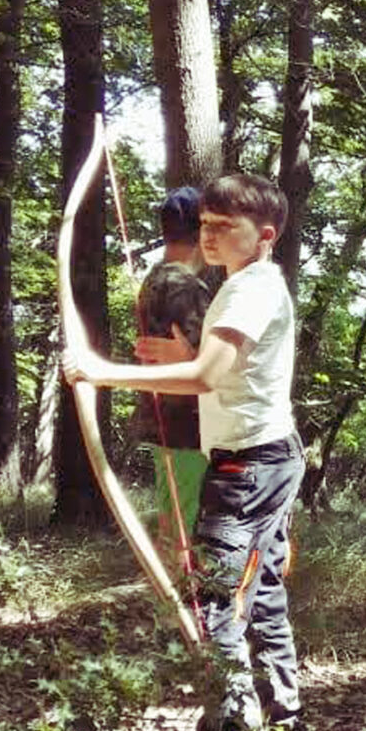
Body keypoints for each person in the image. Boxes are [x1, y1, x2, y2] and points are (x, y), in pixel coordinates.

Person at [65, 173, 305, 731]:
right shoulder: (252, 283)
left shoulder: (248, 289)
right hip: (270, 457)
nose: (212, 235)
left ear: (264, 235)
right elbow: (224, 366)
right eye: (205, 225)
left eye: (227, 227)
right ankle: (284, 717)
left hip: (247, 467)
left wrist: (102, 372)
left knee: (219, 598)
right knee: (263, 590)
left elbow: (204, 377)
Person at [134, 187, 211, 553]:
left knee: (174, 524)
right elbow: (205, 365)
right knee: (185, 532)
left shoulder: (155, 278)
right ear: (201, 233)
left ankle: (171, 605)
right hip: (187, 427)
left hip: (166, 422)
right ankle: (177, 606)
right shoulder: (184, 285)